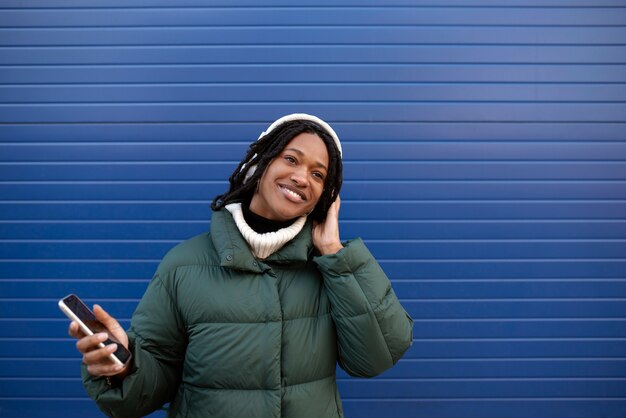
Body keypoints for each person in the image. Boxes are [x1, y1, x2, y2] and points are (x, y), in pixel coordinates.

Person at [69, 113, 414, 418]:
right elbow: (148, 389)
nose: (301, 177)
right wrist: (123, 366)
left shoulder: (330, 268)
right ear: (259, 163)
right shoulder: (183, 265)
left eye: (318, 174)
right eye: (291, 159)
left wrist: (335, 255)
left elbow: (376, 357)